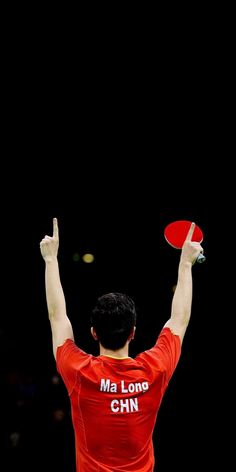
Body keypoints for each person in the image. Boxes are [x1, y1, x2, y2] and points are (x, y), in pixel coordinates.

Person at [39, 218, 203, 472]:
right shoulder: (154, 370)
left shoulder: (79, 371)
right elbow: (179, 319)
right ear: (133, 333)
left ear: (93, 333)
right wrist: (185, 264)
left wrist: (50, 260)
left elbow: (57, 317)